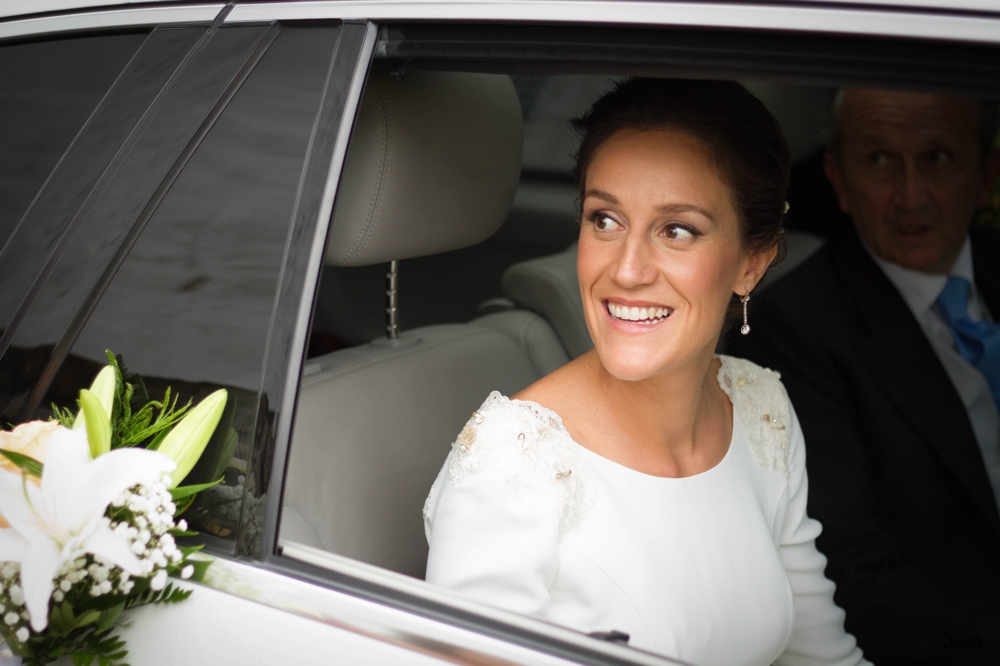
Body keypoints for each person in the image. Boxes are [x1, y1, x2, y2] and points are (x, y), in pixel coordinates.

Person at [422, 78, 869, 666]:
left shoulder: (761, 412)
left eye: (677, 229)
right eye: (604, 219)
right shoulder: (514, 463)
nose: (627, 271)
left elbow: (819, 654)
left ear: (751, 263)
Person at [729, 89, 1000, 664]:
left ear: (986, 175)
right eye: (879, 161)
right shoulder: (795, 330)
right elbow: (858, 581)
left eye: (937, 158)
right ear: (839, 180)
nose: (910, 196)